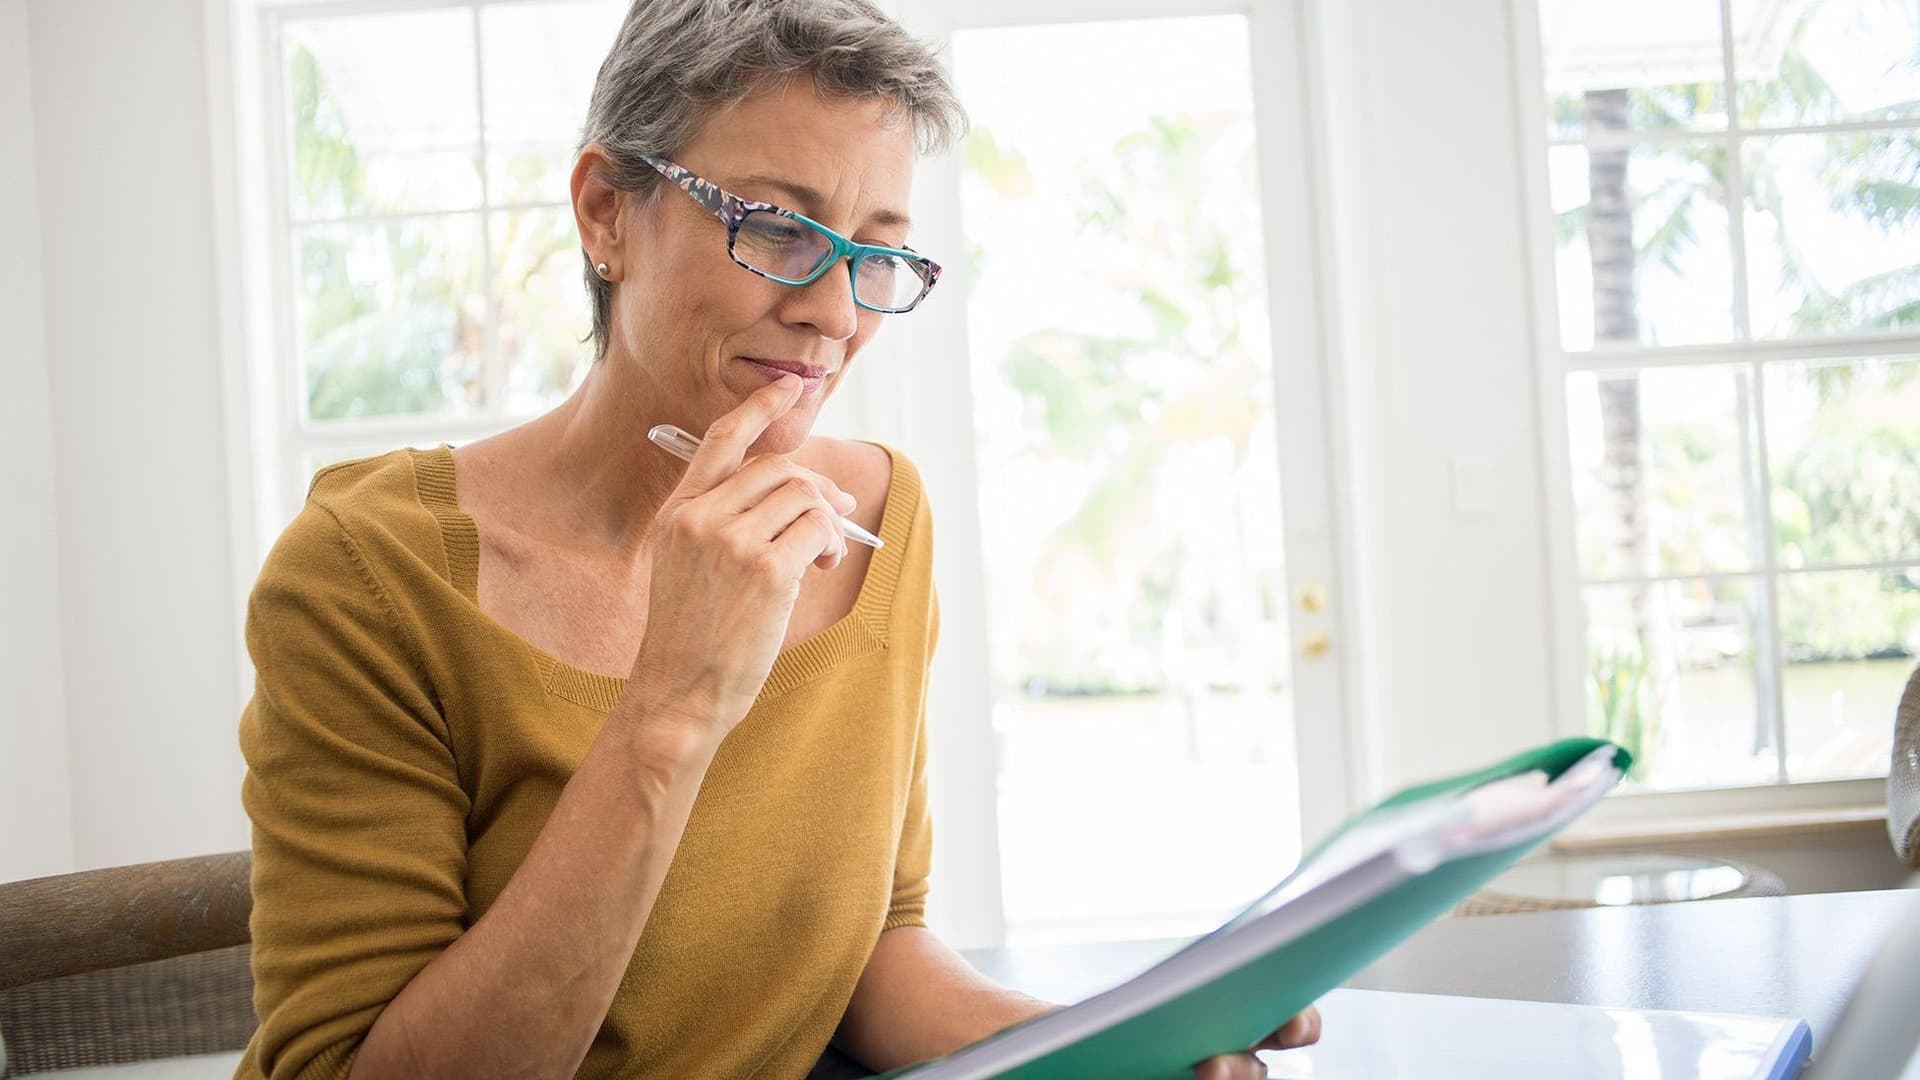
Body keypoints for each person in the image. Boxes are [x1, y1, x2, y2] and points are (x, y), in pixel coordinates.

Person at [235, 2, 1320, 1077]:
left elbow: (871, 952)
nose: (836, 315)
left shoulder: (880, 527)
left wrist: (1104, 1052)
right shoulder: (366, 578)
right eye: (780, 230)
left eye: (875, 256)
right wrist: (671, 710)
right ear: (607, 211)